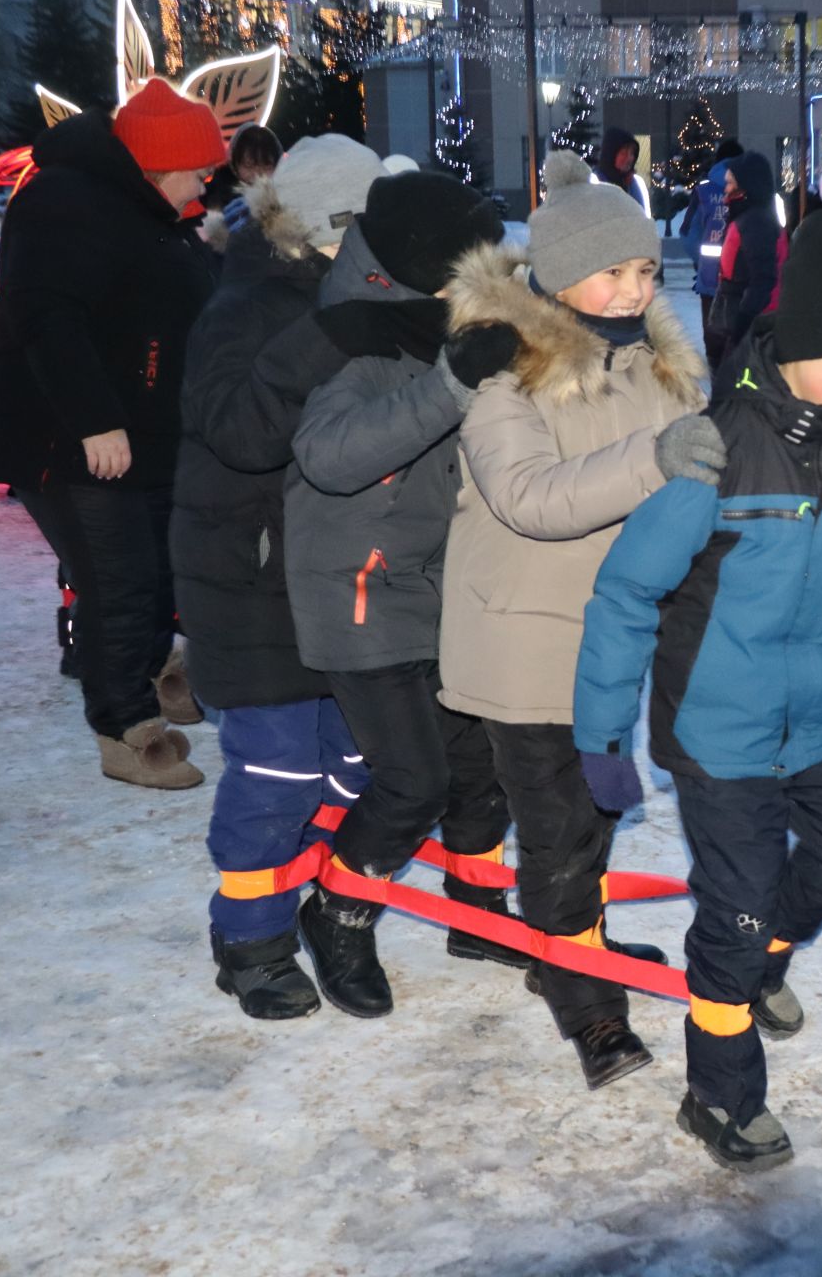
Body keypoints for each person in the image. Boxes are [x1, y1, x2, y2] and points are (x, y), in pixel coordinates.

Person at [573, 214, 822, 1172]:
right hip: (721, 732)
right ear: (807, 339)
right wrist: (602, 739)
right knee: (732, 921)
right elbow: (626, 592)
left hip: (820, 724)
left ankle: (770, 950)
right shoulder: (716, 453)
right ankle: (720, 1096)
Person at [441, 161, 709, 1087]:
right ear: (556, 279)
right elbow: (529, 499)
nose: (638, 290)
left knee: (591, 812)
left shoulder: (655, 367)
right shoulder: (504, 376)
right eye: (617, 273)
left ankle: (574, 940)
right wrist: (661, 457)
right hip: (525, 637)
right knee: (559, 819)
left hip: (610, 635)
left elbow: (696, 480)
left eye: (648, 272)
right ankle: (589, 1006)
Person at [281, 171, 520, 1018]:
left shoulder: (438, 332)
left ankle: (478, 910)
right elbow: (330, 457)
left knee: (480, 761)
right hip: (355, 598)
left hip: (431, 586)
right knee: (411, 780)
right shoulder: (356, 343)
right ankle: (337, 915)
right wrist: (453, 381)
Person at [175, 135, 391, 1018]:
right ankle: (251, 936)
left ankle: (321, 901)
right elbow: (237, 430)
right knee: (277, 770)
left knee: (355, 758)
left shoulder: (373, 296)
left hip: (349, 577)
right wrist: (327, 335)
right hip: (252, 576)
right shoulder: (247, 305)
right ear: (314, 230)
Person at [0, 81, 225, 788]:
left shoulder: (151, 211)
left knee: (155, 568)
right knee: (117, 582)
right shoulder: (63, 202)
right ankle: (124, 729)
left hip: (140, 435)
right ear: (159, 163)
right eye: (199, 169)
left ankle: (148, 673)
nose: (207, 181)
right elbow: (46, 318)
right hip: (69, 440)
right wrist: (95, 420)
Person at [708, 151, 787, 369]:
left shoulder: (755, 222)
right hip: (741, 319)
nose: (726, 189)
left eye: (730, 183)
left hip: (749, 324)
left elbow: (762, 280)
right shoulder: (750, 217)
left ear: (747, 186)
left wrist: (740, 327)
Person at [680, 139, 744, 369]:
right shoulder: (750, 187)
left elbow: (687, 233)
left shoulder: (703, 190)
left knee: (713, 336)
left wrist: (701, 261)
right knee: (739, 334)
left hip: (709, 278)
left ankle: (717, 384)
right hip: (741, 277)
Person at [205, 123, 283, 244]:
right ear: (234, 164)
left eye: (266, 165)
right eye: (249, 165)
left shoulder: (286, 195)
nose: (258, 173)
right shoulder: (215, 197)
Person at [594, 127, 649, 211]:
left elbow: (642, 217)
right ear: (610, 154)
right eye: (624, 153)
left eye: (632, 153)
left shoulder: (633, 183)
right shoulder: (594, 183)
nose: (629, 158)